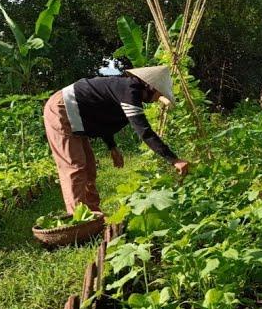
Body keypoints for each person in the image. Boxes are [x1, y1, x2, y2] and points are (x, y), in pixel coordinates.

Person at [43, 65, 190, 214]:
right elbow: (145, 132)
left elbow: (101, 117)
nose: (158, 98)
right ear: (150, 87)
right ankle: (77, 219)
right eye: (159, 93)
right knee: (75, 167)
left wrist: (112, 147)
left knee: (89, 168)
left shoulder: (128, 90)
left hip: (75, 113)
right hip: (61, 109)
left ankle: (92, 215)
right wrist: (174, 159)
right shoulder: (129, 91)